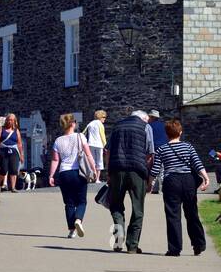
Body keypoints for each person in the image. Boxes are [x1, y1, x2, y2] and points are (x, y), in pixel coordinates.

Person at [151, 118, 210, 257]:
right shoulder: (188, 147)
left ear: (167, 134)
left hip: (171, 181)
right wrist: (206, 178)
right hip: (188, 180)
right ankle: (198, 244)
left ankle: (174, 248)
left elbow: (155, 170)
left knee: (173, 215)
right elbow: (197, 163)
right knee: (192, 213)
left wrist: (150, 184)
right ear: (180, 132)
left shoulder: (162, 149)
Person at [106, 109, 155, 254]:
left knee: (115, 204)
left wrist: (108, 172)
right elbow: (150, 153)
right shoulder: (146, 127)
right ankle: (132, 245)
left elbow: (108, 151)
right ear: (144, 118)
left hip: (117, 169)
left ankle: (119, 233)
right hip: (137, 171)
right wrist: (148, 175)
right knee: (138, 208)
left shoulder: (117, 126)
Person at [48, 113, 99, 239]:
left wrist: (51, 175)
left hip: (63, 174)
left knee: (69, 203)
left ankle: (71, 230)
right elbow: (88, 155)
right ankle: (78, 220)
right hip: (78, 172)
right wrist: (94, 169)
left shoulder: (58, 140)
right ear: (72, 123)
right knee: (81, 201)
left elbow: (55, 160)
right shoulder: (80, 136)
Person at [0, 114, 24, 192]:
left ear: (14, 121)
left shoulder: (16, 131)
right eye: (8, 120)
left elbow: (19, 143)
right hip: (3, 151)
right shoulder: (1, 129)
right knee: (4, 169)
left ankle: (13, 187)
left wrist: (21, 155)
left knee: (14, 169)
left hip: (14, 152)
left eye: (12, 120)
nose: (10, 121)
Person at [84, 111, 108, 181]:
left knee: (92, 161)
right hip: (99, 145)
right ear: (100, 117)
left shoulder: (90, 123)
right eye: (104, 117)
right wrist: (105, 146)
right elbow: (102, 136)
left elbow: (84, 133)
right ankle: (97, 179)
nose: (104, 119)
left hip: (90, 144)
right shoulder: (100, 124)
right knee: (99, 162)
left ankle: (91, 178)